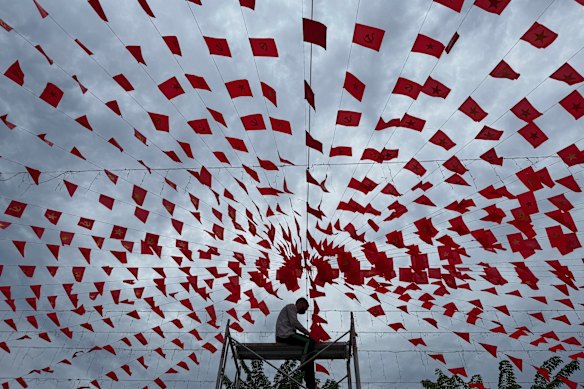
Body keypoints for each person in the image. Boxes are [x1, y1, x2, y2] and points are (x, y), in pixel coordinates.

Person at [275, 297, 316, 389]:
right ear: (301, 303)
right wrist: (308, 333)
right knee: (310, 341)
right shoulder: (291, 307)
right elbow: (294, 323)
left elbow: (292, 324)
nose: (304, 310)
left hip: (285, 334)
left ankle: (308, 375)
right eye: (305, 307)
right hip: (286, 334)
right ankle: (304, 361)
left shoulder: (290, 310)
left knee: (309, 349)